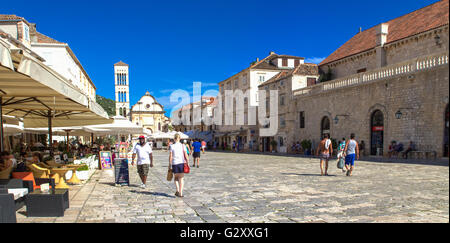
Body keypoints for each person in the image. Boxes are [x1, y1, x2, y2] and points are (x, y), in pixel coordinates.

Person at [169, 133, 189, 198]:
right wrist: (187, 162)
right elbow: (186, 154)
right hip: (181, 163)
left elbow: (171, 156)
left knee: (176, 178)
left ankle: (177, 190)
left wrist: (170, 164)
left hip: (174, 163)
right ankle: (180, 193)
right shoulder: (183, 146)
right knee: (181, 178)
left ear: (174, 139)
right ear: (180, 138)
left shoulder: (172, 146)